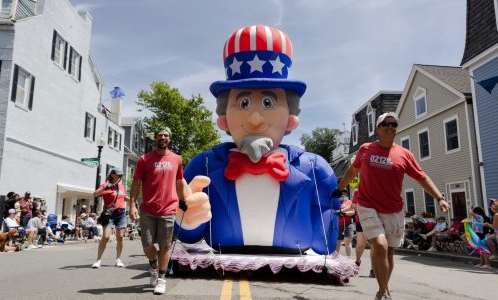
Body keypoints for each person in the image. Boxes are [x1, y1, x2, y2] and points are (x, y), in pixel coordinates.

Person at [174, 25, 337, 257]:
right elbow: (186, 236)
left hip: (292, 264)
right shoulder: (205, 166)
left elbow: (325, 240)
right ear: (224, 120)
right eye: (243, 103)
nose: (255, 119)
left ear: (291, 119)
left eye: (269, 103)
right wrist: (189, 219)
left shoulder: (314, 168)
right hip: (225, 258)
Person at [334, 112, 450, 300]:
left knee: (389, 252)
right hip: (367, 204)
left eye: (394, 124)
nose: (390, 126)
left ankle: (383, 288)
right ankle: (383, 293)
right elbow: (352, 171)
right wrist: (338, 190)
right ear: (378, 129)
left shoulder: (405, 155)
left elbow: (422, 177)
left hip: (393, 209)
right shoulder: (365, 149)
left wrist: (440, 198)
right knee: (380, 245)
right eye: (386, 123)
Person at [129, 128, 186, 295]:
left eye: (166, 135)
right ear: (155, 138)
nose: (163, 137)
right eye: (160, 135)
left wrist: (183, 200)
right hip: (147, 209)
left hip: (168, 209)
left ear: (169, 139)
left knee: (165, 245)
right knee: (147, 244)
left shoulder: (177, 159)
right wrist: (132, 204)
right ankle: (154, 266)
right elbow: (136, 184)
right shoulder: (144, 159)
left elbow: (179, 182)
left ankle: (161, 278)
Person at [92, 167, 127, 269]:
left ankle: (118, 259)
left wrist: (134, 202)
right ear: (112, 175)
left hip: (121, 213)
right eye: (118, 174)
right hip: (109, 213)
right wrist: (105, 188)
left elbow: (123, 197)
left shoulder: (121, 186)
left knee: (120, 237)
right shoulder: (106, 185)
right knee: (106, 237)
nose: (120, 176)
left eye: (121, 175)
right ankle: (98, 260)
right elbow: (95, 194)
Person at [335, 190, 355, 256]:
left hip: (349, 224)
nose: (343, 194)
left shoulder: (349, 201)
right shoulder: (336, 202)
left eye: (345, 193)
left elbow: (353, 212)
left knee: (347, 241)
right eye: (342, 193)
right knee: (338, 242)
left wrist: (344, 213)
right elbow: (333, 212)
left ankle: (348, 259)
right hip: (339, 224)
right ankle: (335, 258)